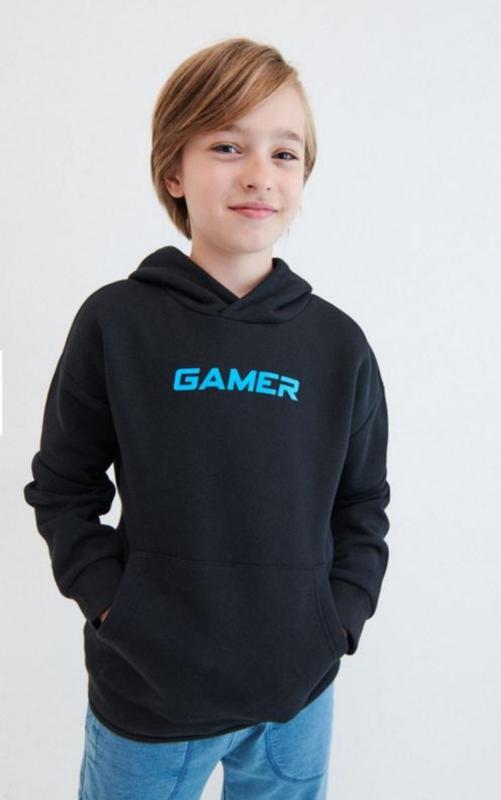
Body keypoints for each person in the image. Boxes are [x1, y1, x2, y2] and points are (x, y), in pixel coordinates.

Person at [23, 36, 391, 800]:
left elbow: (361, 503)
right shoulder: (116, 323)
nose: (258, 174)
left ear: (303, 176)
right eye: (227, 146)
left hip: (296, 698)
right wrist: (117, 608)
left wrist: (337, 622)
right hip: (148, 698)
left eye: (284, 153)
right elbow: (62, 488)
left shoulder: (337, 345)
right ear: (173, 170)